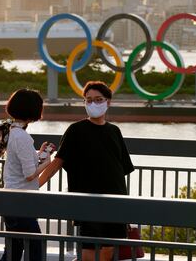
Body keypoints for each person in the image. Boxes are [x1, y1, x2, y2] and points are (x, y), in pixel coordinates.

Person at [39, 81, 135, 261]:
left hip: (115, 202)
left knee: (107, 252)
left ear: (108, 102)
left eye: (98, 99)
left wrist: (125, 205)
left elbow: (120, 170)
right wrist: (34, 185)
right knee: (88, 255)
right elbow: (57, 163)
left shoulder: (114, 131)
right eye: (88, 100)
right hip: (87, 202)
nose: (93, 104)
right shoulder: (76, 130)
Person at [0, 88, 54, 261]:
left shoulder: (12, 133)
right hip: (22, 202)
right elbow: (30, 174)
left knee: (13, 250)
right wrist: (47, 163)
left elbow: (22, 164)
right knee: (35, 247)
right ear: (34, 112)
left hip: (11, 200)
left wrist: (39, 154)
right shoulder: (22, 137)